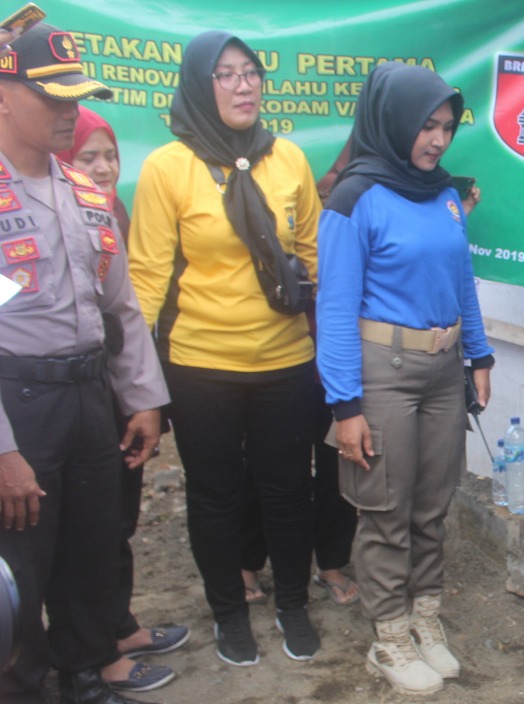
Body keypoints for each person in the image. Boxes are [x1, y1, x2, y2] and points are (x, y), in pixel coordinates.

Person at [0, 22, 170, 704]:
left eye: (80, 98)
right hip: (18, 403)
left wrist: (143, 399)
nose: (71, 113)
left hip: (88, 396)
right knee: (22, 570)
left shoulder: (84, 191)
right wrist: (3, 447)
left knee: (88, 548)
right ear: (5, 97)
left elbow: (123, 305)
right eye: (53, 97)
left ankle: (84, 686)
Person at [130, 31, 321, 666]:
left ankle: (292, 601)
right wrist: (140, 388)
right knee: (213, 494)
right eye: (225, 74)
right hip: (201, 364)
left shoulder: (288, 159)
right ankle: (229, 613)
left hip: (285, 360)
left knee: (289, 488)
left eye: (251, 73)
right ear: (197, 85)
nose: (243, 85)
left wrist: (334, 354)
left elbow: (317, 259)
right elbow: (148, 279)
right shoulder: (167, 167)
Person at [317, 62, 493, 697]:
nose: (438, 140)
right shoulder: (354, 198)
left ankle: (425, 620)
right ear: (392, 122)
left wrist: (479, 355)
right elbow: (334, 309)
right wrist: (345, 406)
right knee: (385, 509)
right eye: (426, 126)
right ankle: (389, 639)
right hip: (381, 373)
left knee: (431, 504)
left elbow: (460, 282)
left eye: (446, 127)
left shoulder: (445, 195)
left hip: (445, 370)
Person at [55, 106, 191, 693]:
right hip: (67, 391)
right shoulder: (39, 213)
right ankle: (90, 654)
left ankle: (118, 623)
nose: (106, 167)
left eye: (111, 155)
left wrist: (144, 397)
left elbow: (126, 309)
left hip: (116, 389)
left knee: (117, 513)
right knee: (83, 526)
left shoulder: (108, 211)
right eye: (89, 157)